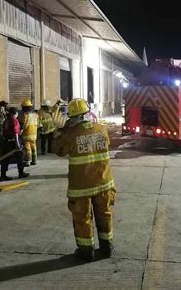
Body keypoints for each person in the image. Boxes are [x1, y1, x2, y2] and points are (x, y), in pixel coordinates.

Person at [52, 98, 116, 262]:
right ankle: (107, 247)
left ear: (72, 117)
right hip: (104, 182)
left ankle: (86, 251)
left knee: (82, 218)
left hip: (81, 186)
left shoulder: (70, 134)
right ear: (88, 113)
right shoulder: (102, 129)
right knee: (104, 214)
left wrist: (61, 130)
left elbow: (58, 149)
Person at [0, 107, 28, 181]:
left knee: (5, 159)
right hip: (14, 142)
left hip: (6, 142)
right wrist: (18, 145)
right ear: (15, 113)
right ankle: (21, 173)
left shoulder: (6, 120)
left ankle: (3, 175)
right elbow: (15, 133)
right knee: (20, 157)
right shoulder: (14, 120)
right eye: (17, 113)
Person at [19, 99, 38, 167]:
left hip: (27, 134)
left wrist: (20, 131)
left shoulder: (24, 115)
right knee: (34, 147)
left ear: (24, 107)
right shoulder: (35, 114)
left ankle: (27, 161)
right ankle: (34, 160)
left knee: (27, 148)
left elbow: (23, 124)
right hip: (34, 134)